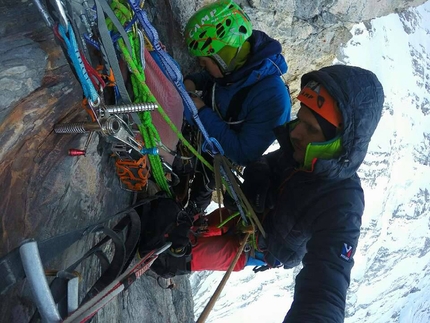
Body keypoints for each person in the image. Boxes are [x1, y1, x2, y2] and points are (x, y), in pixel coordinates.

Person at [190, 64, 385, 322]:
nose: (295, 132)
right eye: (300, 119)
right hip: (243, 216)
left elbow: (326, 286)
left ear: (336, 143)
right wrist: (257, 173)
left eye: (311, 129)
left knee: (180, 257)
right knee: (186, 232)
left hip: (258, 247)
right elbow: (270, 162)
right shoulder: (302, 149)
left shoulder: (343, 203)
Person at [175, 0, 291, 212]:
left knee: (205, 180)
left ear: (223, 57)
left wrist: (201, 113)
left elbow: (243, 153)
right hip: (208, 128)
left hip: (221, 152)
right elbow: (219, 80)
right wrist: (194, 80)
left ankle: (193, 212)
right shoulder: (239, 64)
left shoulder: (273, 100)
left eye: (204, 61)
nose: (202, 65)